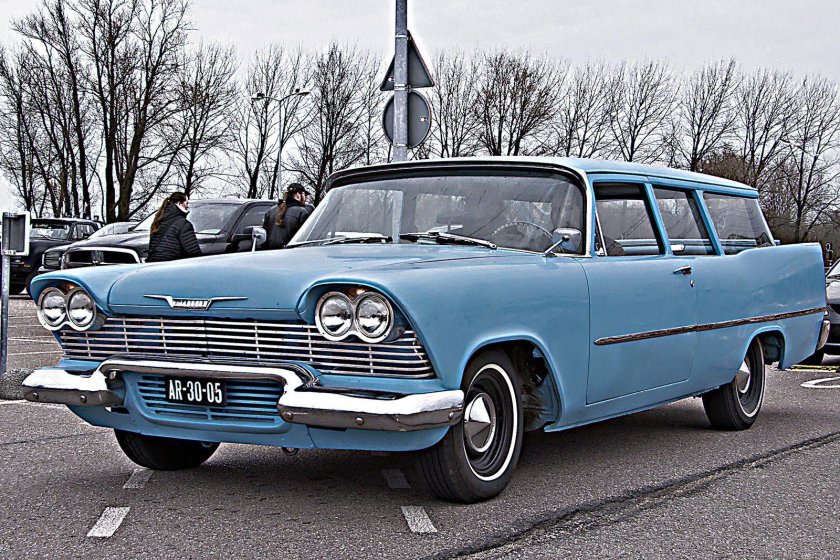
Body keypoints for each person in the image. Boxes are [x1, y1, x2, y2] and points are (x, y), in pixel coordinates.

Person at [146, 192, 202, 262]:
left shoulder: (159, 221)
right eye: (186, 203)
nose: (187, 206)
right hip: (173, 265)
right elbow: (194, 253)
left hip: (154, 264)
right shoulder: (183, 224)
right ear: (179, 203)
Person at [262, 183, 313, 249]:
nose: (305, 198)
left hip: (270, 252)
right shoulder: (301, 212)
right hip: (291, 252)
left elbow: (264, 237)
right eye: (304, 194)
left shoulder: (270, 211)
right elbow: (305, 238)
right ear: (298, 194)